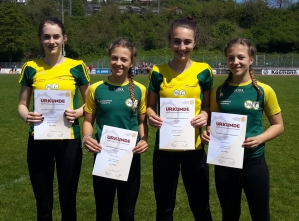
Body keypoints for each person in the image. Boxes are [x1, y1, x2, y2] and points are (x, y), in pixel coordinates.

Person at [202, 38, 284, 221]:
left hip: (254, 162)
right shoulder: (218, 91)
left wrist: (260, 139)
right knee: (229, 215)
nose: (235, 62)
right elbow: (212, 124)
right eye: (231, 58)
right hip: (225, 163)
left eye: (241, 57)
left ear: (251, 59)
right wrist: (208, 133)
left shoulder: (264, 91)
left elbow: (279, 125)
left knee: (260, 215)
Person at [17, 17, 90, 221]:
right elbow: (22, 104)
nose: (52, 41)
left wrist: (77, 112)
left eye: (56, 36)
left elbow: (90, 103)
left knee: (68, 203)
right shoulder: (30, 67)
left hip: (69, 141)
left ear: (64, 38)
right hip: (39, 140)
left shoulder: (77, 66)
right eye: (47, 37)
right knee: (43, 206)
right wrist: (27, 116)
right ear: (40, 38)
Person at [146, 16, 213, 221]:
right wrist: (152, 117)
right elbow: (149, 107)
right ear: (170, 41)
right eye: (177, 41)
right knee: (164, 209)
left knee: (201, 207)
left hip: (195, 148)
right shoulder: (157, 72)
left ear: (195, 42)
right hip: (165, 150)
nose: (181, 47)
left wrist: (204, 115)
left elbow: (209, 106)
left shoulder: (204, 70)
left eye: (187, 42)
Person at [82, 37, 148, 221]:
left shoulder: (141, 89)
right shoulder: (96, 89)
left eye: (124, 59)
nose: (118, 63)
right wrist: (87, 137)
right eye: (114, 58)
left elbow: (142, 123)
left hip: (131, 157)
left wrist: (144, 140)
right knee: (103, 212)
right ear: (109, 58)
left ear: (131, 62)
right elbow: (88, 120)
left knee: (127, 213)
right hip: (103, 156)